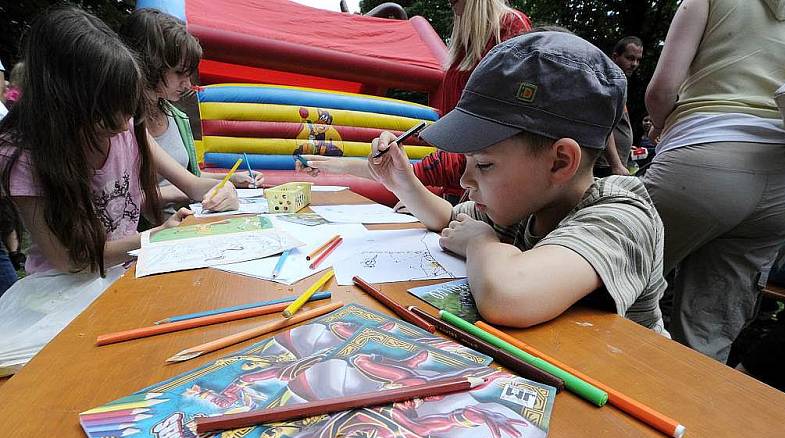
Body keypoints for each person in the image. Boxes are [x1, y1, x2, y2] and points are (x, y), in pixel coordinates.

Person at [359, 31, 667, 332]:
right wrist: (403, 182)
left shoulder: (621, 217)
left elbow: (508, 296)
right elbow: (451, 220)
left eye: (484, 164)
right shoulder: (527, 203)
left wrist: (480, 241)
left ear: (560, 162)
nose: (466, 180)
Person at [0, 6, 238, 367]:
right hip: (61, 297)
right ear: (65, 105)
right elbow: (71, 260)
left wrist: (224, 189)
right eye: (107, 113)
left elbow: (192, 184)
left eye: (128, 110)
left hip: (124, 279)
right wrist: (151, 238)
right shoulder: (26, 156)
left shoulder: (127, 122)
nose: (123, 124)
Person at [642, 0, 785, 363]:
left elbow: (661, 90)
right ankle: (685, 413)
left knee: (610, 282)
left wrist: (662, 126)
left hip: (702, 157)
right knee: (707, 333)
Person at [298, 0, 530, 203]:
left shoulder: (508, 28)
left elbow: (492, 142)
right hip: (462, 193)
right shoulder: (462, 49)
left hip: (481, 193)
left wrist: (418, 197)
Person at [120, 8, 263, 216]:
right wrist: (179, 192)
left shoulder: (175, 117)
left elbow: (189, 176)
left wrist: (231, 180)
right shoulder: (119, 126)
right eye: (179, 73)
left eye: (189, 73)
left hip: (184, 222)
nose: (187, 84)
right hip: (142, 234)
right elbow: (112, 201)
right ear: (148, 63)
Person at [594, 36, 643, 177]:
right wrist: (616, 164)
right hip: (605, 166)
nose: (634, 64)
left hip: (616, 164)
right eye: (630, 58)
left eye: (638, 60)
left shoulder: (620, 84)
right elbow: (604, 123)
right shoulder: (608, 81)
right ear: (615, 56)